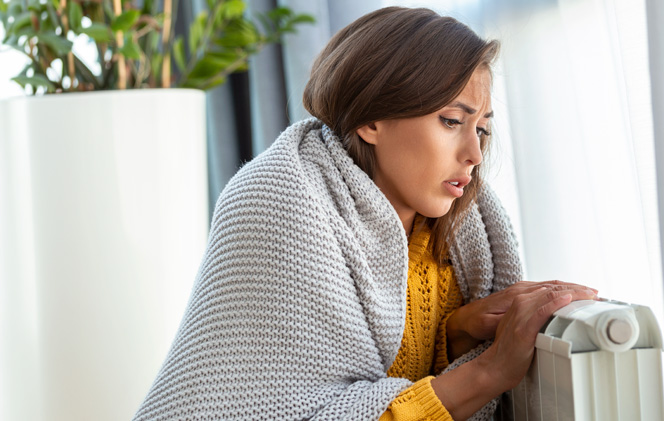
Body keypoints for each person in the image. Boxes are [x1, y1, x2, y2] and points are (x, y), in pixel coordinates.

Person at [133, 6, 598, 421]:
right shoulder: (282, 203)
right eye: (453, 122)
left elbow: (384, 380)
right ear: (372, 119)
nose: (475, 154)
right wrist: (489, 371)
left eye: (482, 130)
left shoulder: (459, 235)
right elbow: (315, 407)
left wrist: (455, 334)